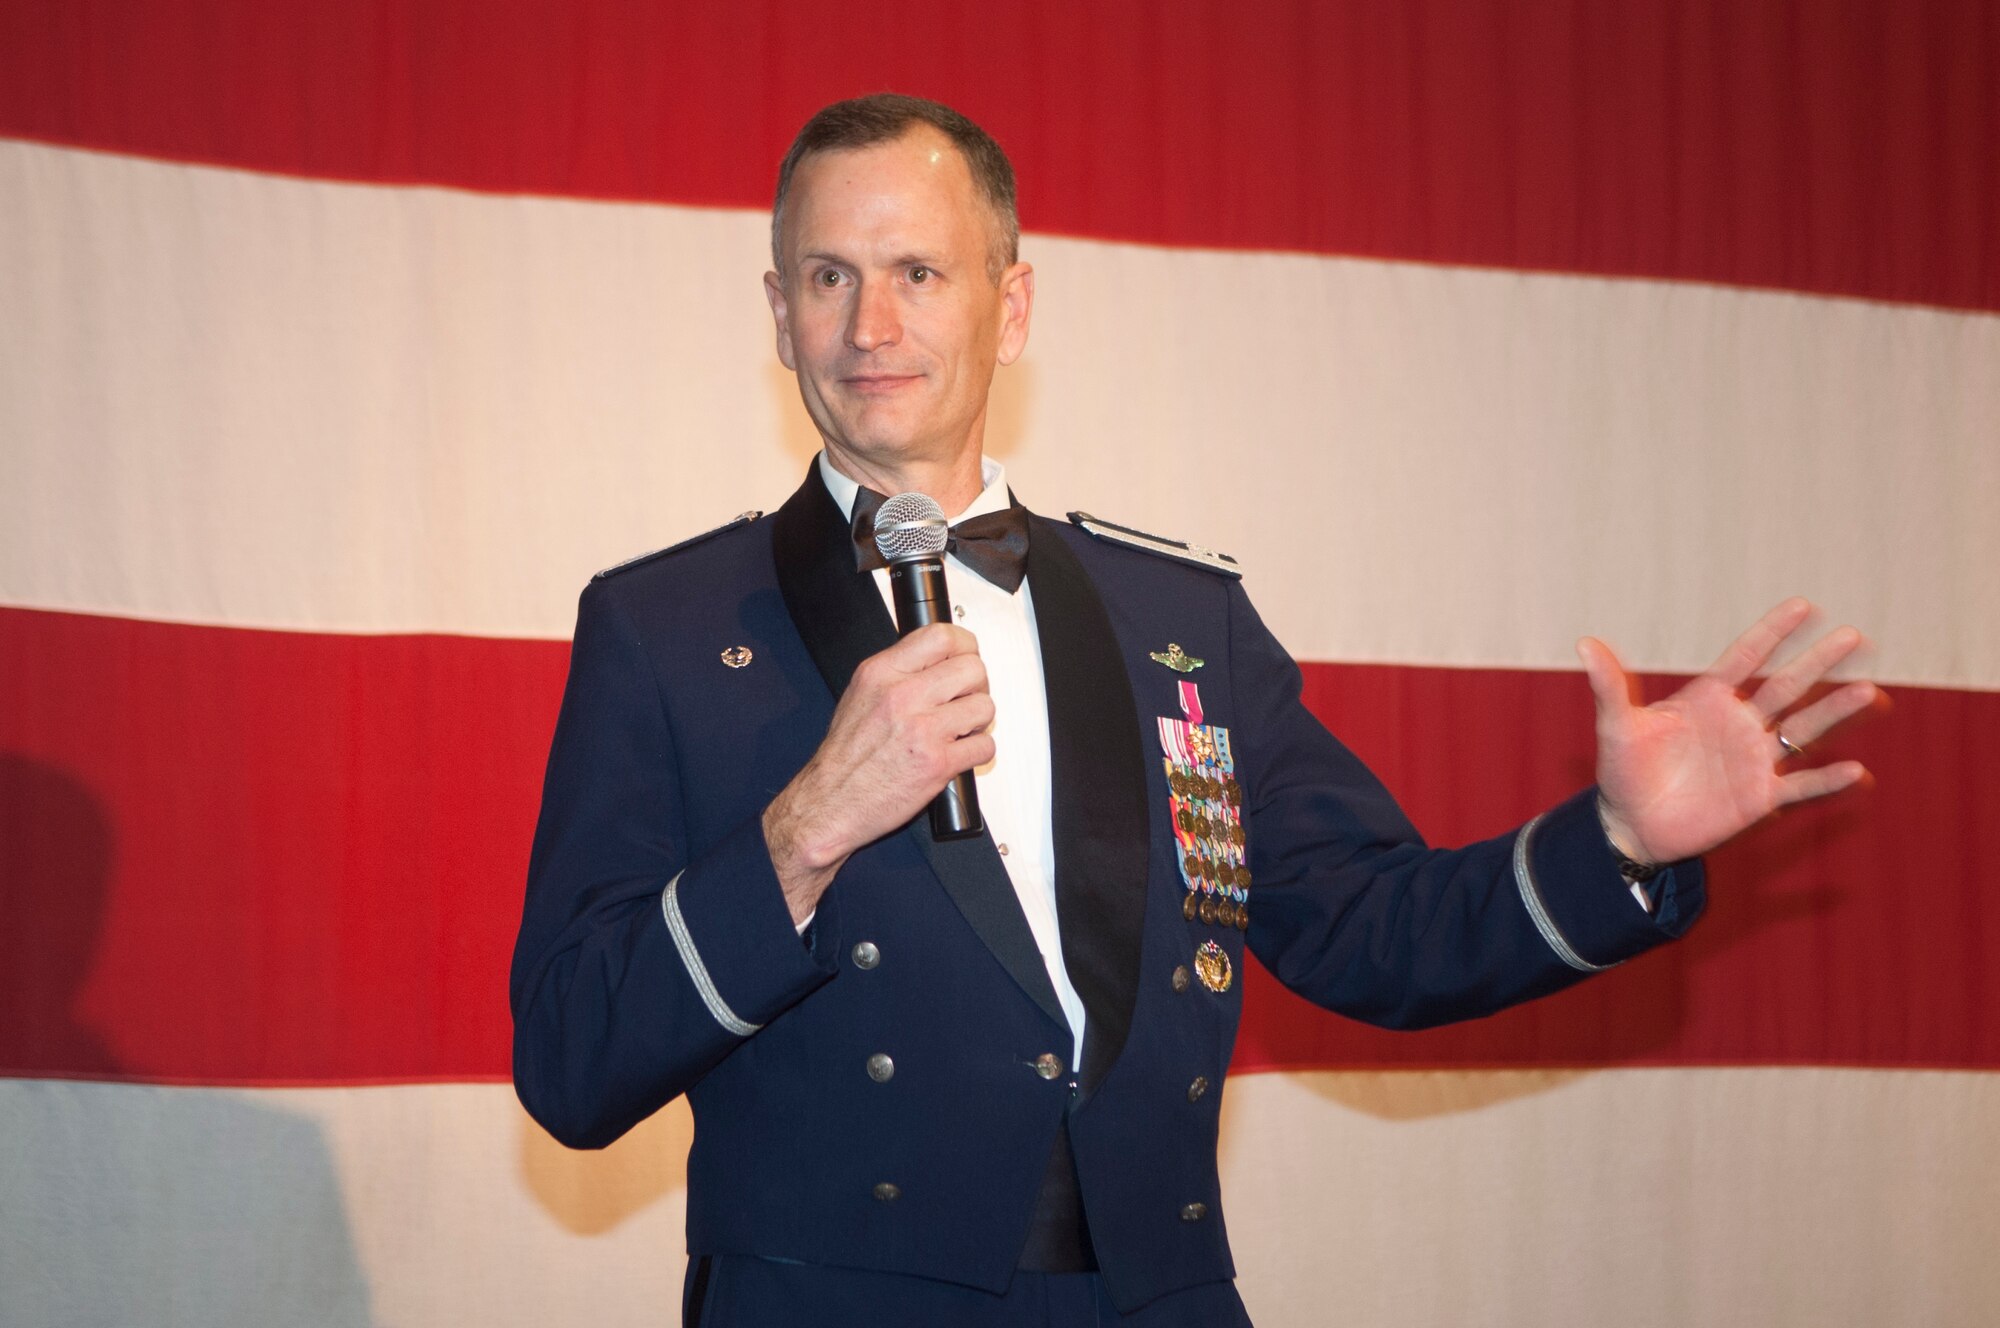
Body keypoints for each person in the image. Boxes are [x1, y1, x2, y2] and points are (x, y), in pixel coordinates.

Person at [509, 94, 1877, 1327]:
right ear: (779, 309)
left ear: (1014, 303)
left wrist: (1619, 846)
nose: (873, 328)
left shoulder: (1181, 626)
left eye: (919, 272)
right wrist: (802, 833)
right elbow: (570, 1063)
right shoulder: (669, 630)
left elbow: (1369, 930)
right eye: (830, 277)